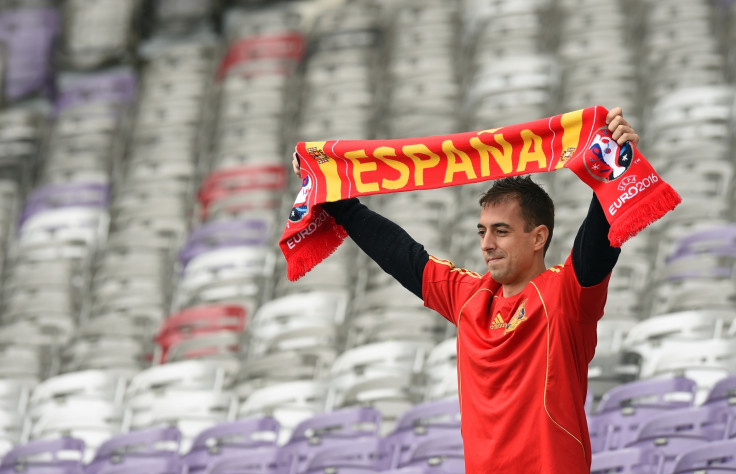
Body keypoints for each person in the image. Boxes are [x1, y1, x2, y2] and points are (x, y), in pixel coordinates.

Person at [291, 107, 639, 473]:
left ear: (539, 237)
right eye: (482, 231)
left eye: (501, 231)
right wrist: (334, 195)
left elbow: (598, 244)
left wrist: (613, 162)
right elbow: (401, 255)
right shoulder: (470, 296)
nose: (487, 243)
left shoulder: (567, 293)